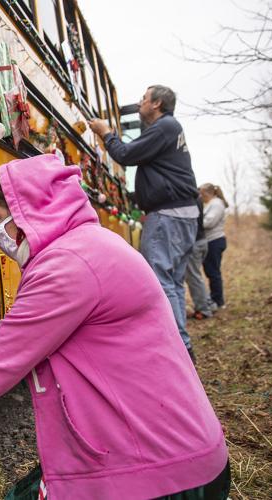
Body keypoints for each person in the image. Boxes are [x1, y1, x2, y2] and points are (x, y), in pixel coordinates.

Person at [0, 155, 230, 499]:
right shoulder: (85, 248)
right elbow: (17, 353)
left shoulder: (66, 267)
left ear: (26, 211)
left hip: (160, 477)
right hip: (166, 456)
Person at [88, 85, 199, 362]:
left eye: (144, 99)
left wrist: (106, 132)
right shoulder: (170, 129)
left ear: (157, 103)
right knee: (172, 282)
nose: (140, 104)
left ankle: (177, 348)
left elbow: (126, 155)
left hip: (168, 216)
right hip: (182, 215)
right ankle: (182, 345)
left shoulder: (165, 127)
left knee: (162, 281)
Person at [200, 183, 228, 309]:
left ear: (207, 192)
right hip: (210, 241)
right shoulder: (211, 204)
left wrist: (195, 221)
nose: (200, 196)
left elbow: (209, 222)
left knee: (213, 272)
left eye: (201, 193)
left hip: (215, 241)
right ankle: (215, 298)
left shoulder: (216, 204)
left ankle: (218, 300)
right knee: (210, 271)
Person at [186, 196, 213, 320]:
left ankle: (204, 309)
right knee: (196, 276)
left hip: (195, 243)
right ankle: (207, 304)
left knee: (194, 278)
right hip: (202, 241)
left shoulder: (190, 198)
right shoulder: (198, 197)